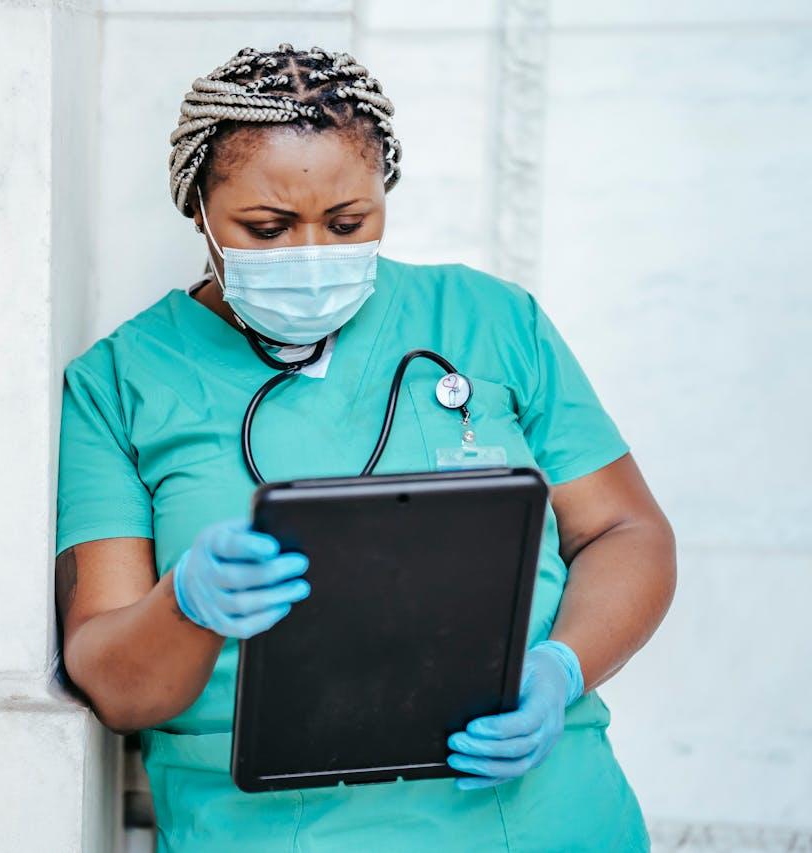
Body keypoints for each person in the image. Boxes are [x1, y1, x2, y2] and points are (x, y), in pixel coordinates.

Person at [53, 43, 676, 852]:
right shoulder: (121, 382)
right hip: (270, 832)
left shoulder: (489, 320)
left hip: (543, 820)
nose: (312, 255)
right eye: (266, 227)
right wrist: (185, 604)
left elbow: (626, 531)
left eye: (348, 224)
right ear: (197, 208)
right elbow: (116, 685)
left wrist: (563, 667)